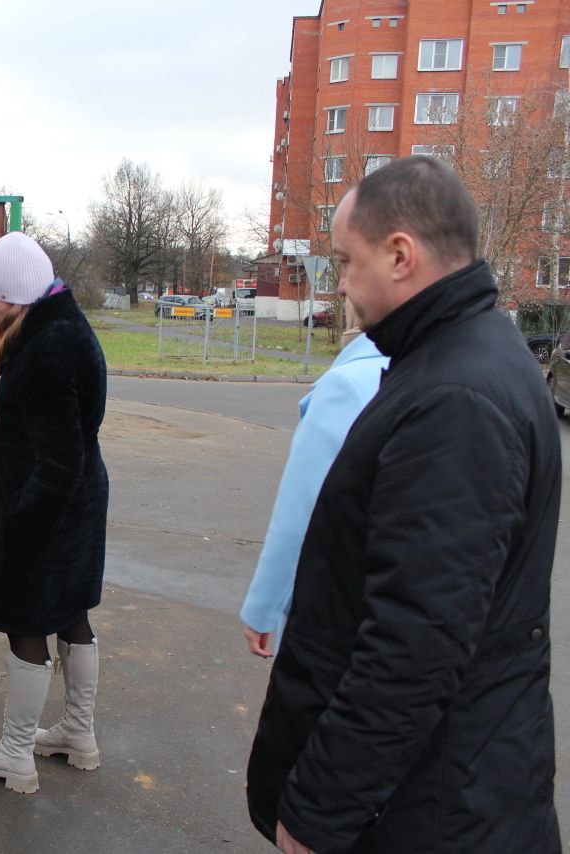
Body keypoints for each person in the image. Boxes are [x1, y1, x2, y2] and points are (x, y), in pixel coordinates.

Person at [246, 156, 561, 852]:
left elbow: (415, 644)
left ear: (400, 254)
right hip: (443, 788)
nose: (342, 283)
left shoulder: (458, 397)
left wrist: (320, 809)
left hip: (429, 806)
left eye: (345, 261)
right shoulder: (459, 357)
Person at [0, 232, 109, 794]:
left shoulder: (46, 346)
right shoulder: (64, 328)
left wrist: (21, 521)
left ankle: (16, 756)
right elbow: (66, 424)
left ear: (23, 292)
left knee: (25, 622)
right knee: (72, 614)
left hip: (45, 509)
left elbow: (57, 458)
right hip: (78, 504)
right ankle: (78, 735)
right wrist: (9, 413)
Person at [240, 327, 387, 658]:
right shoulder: (426, 368)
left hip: (335, 606)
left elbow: (300, 509)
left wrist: (262, 608)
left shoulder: (344, 386)